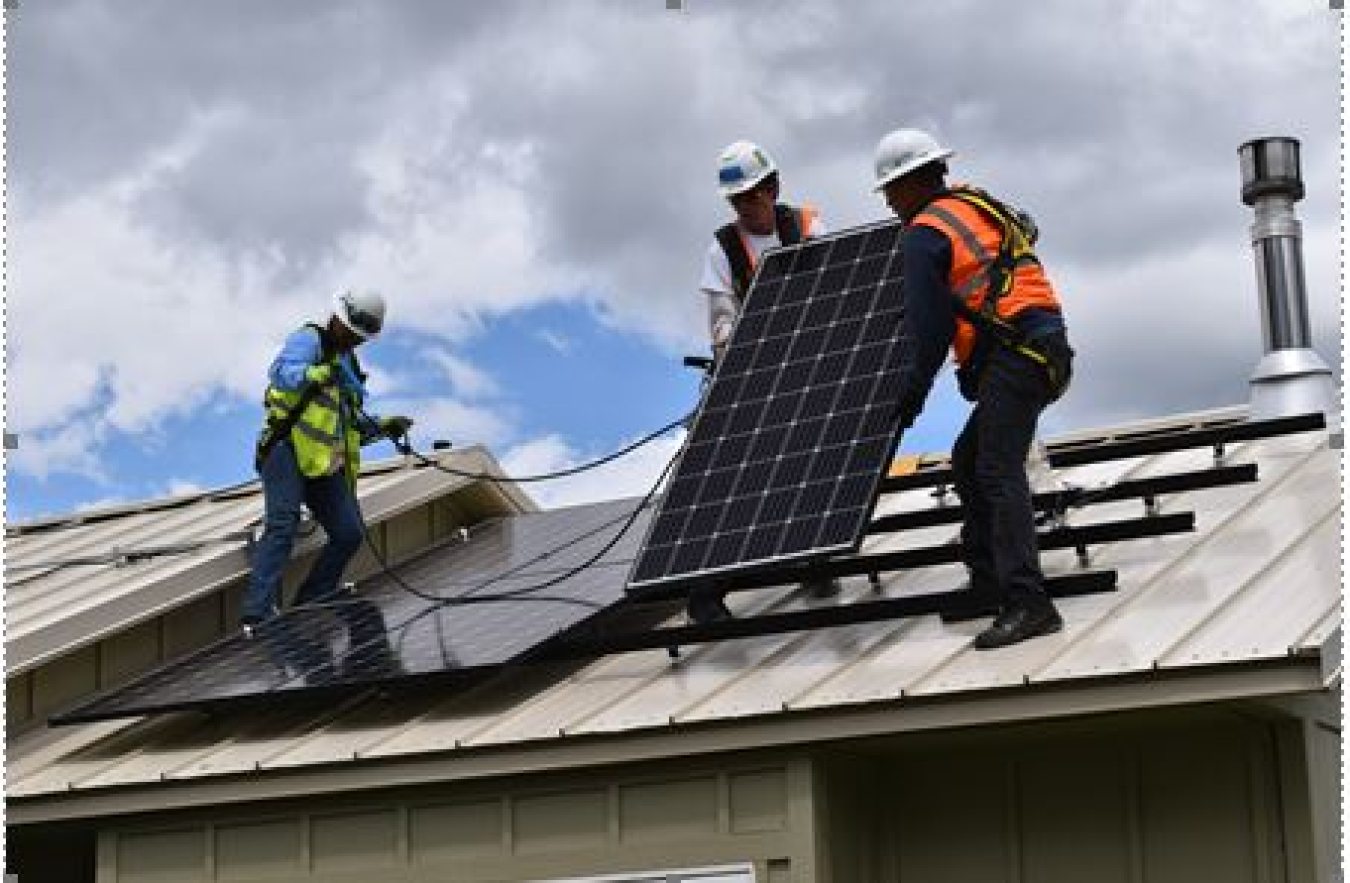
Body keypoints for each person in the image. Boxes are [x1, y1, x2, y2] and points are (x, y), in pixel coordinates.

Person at [872, 128, 1074, 650]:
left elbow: (931, 328)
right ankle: (988, 583)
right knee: (968, 461)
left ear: (914, 181)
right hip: (1043, 346)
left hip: (1017, 355)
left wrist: (911, 394)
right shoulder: (977, 203)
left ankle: (1030, 603)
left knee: (995, 468)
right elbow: (1023, 236)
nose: (891, 203)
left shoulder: (922, 234)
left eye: (891, 190)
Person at [687, 140, 837, 624]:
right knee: (741, 481)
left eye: (752, 195)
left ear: (773, 188)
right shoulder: (722, 250)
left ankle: (816, 560)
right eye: (737, 200)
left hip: (814, 367)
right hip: (758, 377)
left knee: (820, 464)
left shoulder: (810, 227)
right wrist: (744, 377)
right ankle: (706, 591)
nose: (746, 206)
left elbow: (840, 294)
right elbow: (722, 326)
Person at [240, 290, 414, 634]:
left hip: (321, 462)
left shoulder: (348, 364)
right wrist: (312, 374)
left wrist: (383, 426)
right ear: (337, 319)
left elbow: (346, 420)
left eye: (360, 337)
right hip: (285, 448)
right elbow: (281, 373)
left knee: (349, 531)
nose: (355, 340)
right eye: (351, 331)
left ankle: (312, 599)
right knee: (283, 522)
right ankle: (256, 614)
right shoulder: (309, 340)